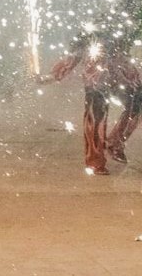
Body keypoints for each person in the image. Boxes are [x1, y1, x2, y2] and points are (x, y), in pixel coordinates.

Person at [39, 33, 115, 175]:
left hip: (112, 80)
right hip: (97, 85)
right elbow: (74, 57)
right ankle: (96, 160)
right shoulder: (93, 37)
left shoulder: (113, 34)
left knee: (136, 105)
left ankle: (111, 146)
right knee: (96, 119)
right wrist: (51, 76)